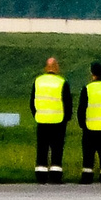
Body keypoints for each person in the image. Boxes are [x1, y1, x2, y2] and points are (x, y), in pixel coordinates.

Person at [30, 55, 68, 185]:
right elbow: (67, 103)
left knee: (42, 149)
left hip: (42, 120)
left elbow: (32, 102)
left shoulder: (38, 81)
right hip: (58, 121)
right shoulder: (62, 82)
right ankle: (55, 176)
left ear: (46, 67)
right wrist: (66, 119)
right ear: (56, 68)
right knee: (57, 149)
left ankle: (41, 176)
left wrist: (37, 114)